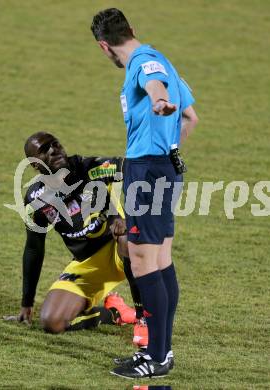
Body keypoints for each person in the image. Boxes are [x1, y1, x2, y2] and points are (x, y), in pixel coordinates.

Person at [91, 8, 199, 378]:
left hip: (147, 170)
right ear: (132, 29)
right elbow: (190, 117)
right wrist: (170, 149)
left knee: (142, 262)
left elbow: (157, 89)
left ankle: (155, 356)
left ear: (104, 46)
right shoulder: (162, 59)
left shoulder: (143, 64)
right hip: (164, 167)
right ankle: (161, 353)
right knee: (161, 260)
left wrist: (156, 101)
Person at [3, 131, 137, 333]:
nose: (53, 150)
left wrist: (126, 216)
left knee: (128, 238)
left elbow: (135, 170)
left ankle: (145, 319)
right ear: (34, 164)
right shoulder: (36, 200)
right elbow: (34, 248)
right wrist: (26, 303)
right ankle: (114, 313)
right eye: (44, 150)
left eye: (55, 144)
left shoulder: (88, 167)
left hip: (122, 250)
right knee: (51, 322)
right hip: (88, 264)